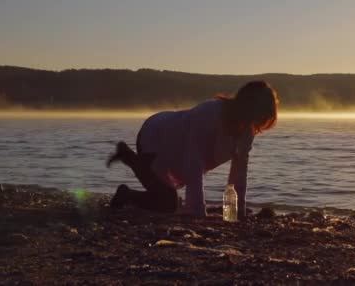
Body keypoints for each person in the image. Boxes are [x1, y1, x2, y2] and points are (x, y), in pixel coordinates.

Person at [106, 81, 278, 219]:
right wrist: (197, 211)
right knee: (167, 204)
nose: (259, 122)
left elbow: (240, 171)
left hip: (176, 149)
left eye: (263, 118)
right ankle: (125, 192)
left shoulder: (247, 129)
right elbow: (193, 162)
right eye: (260, 114)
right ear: (248, 106)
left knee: (169, 201)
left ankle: (128, 156)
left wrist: (236, 212)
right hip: (155, 137)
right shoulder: (209, 113)